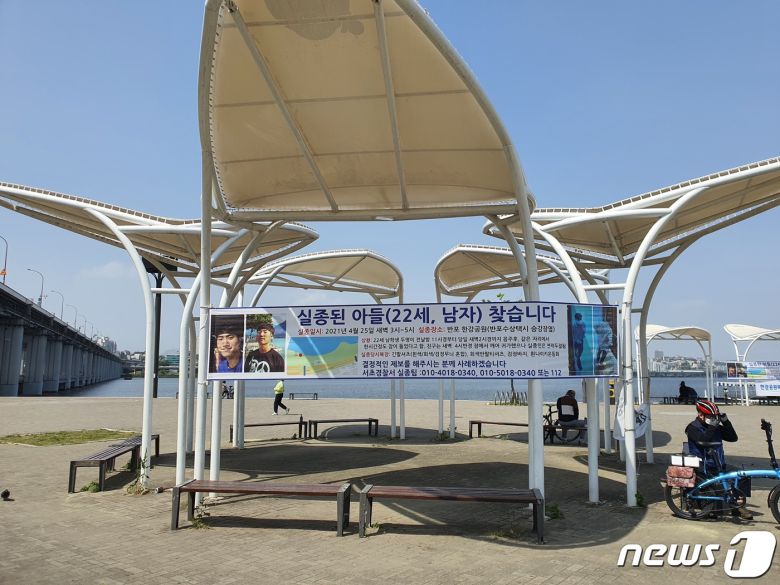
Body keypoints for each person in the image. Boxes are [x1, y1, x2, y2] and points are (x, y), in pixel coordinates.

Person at [685, 399, 752, 519]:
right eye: (711, 416)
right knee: (715, 496)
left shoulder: (716, 427)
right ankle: (708, 507)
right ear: (700, 415)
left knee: (743, 475)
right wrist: (712, 426)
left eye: (715, 416)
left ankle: (738, 505)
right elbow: (703, 440)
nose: (713, 419)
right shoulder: (692, 428)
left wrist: (726, 422)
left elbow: (733, 438)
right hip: (703, 467)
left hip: (719, 464)